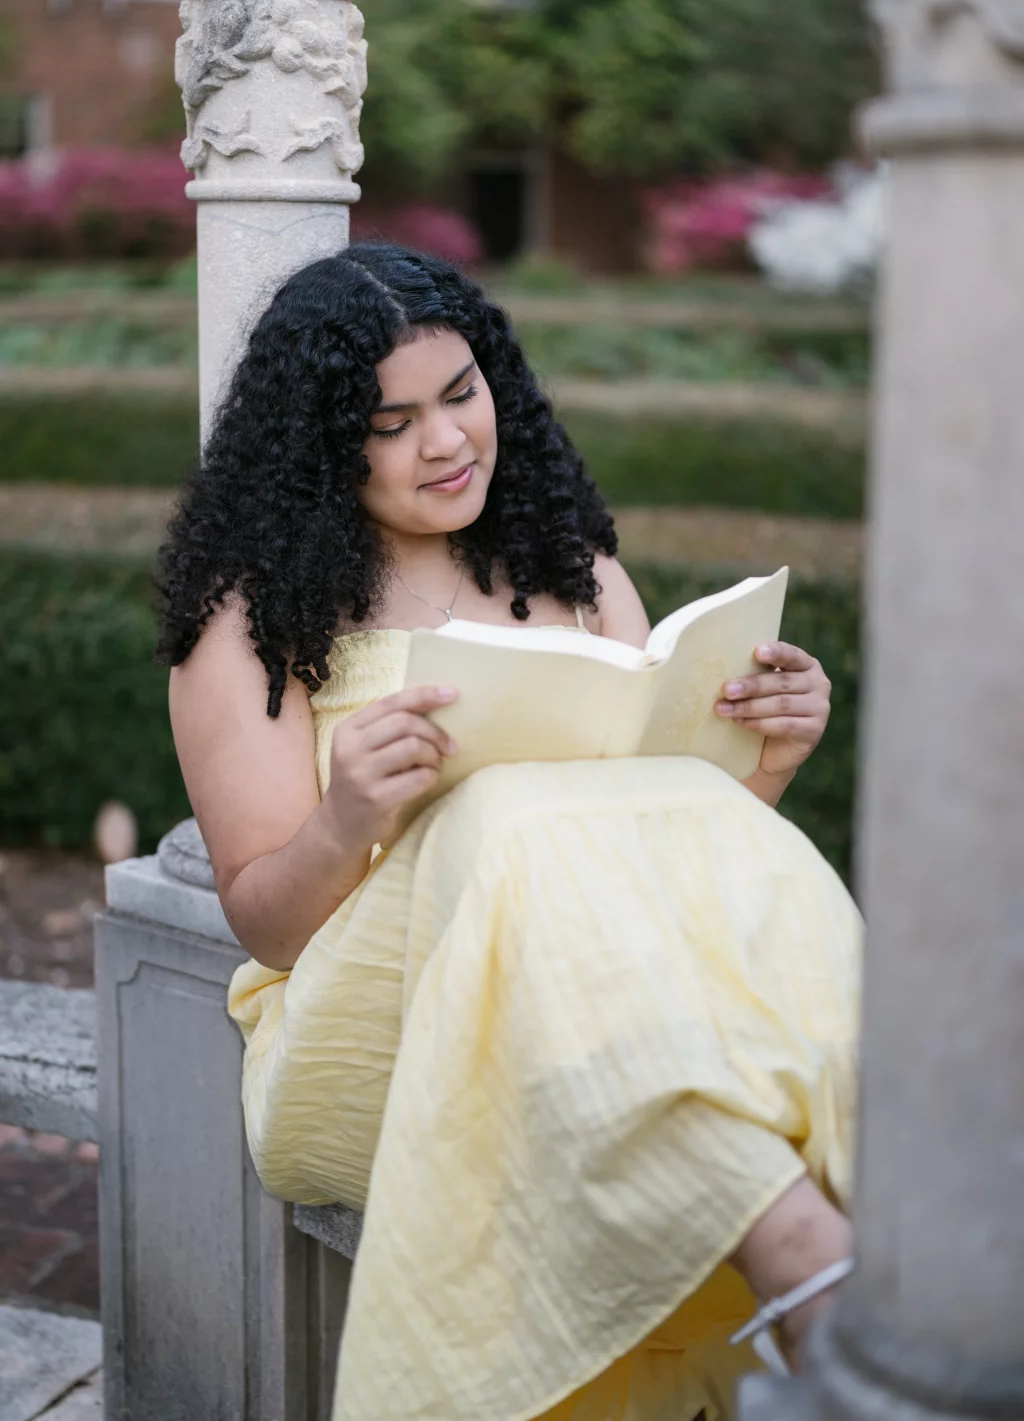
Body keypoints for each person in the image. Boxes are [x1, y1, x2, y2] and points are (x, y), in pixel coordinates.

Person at [158, 242, 861, 1421]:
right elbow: (268, 927)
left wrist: (766, 760)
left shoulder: (574, 572)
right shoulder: (250, 620)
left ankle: (844, 1208)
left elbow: (662, 864)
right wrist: (351, 813)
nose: (445, 441)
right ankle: (812, 1259)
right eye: (390, 421)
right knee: (503, 808)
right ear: (322, 441)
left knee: (638, 831)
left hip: (599, 1004)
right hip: (369, 1027)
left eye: (462, 392)